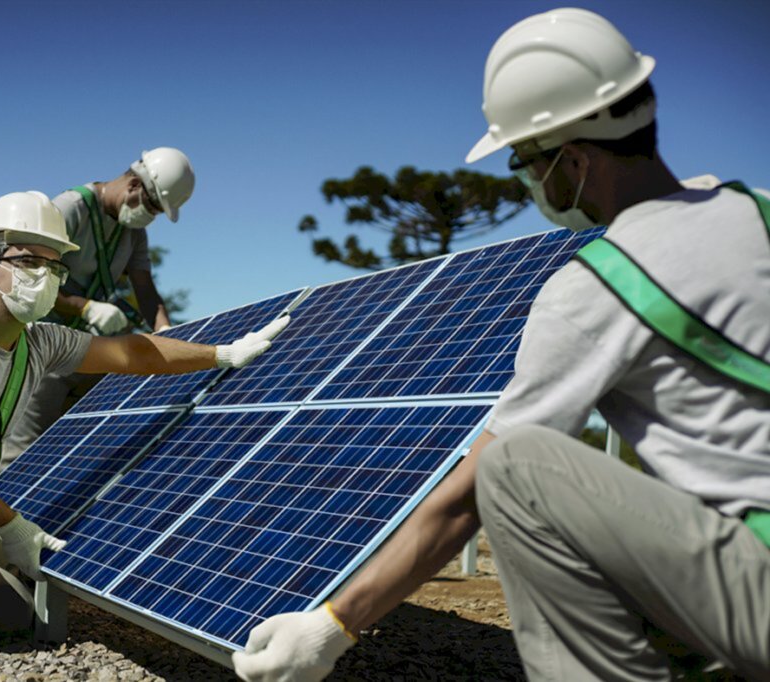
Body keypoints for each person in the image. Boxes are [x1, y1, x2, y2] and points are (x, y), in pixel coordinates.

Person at [232, 8, 769, 682]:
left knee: (516, 469)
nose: (529, 183)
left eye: (525, 162)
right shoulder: (760, 209)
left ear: (572, 159)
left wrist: (334, 624)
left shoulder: (593, 289)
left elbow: (467, 497)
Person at [0, 190, 288, 657]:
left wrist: (222, 353)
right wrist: (12, 525)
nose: (44, 278)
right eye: (28, 263)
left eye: (54, 267)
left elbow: (131, 351)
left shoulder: (40, 342)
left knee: (11, 614)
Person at [1, 147, 196, 467]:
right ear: (134, 185)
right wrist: (85, 307)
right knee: (21, 456)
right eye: (152, 206)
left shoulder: (133, 232)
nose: (150, 216)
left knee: (76, 451)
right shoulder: (68, 210)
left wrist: (165, 330)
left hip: (88, 352)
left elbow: (145, 289)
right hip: (41, 349)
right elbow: (25, 280)